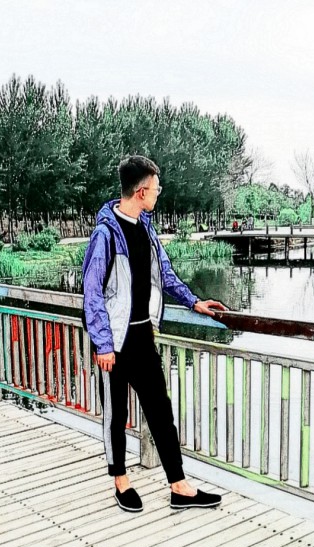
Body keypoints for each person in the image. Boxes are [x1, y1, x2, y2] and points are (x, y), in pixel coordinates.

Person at [82, 155, 227, 513]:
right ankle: (121, 482)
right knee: (116, 415)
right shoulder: (105, 234)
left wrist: (194, 302)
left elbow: (165, 274)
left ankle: (179, 486)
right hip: (115, 342)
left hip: (143, 337)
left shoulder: (146, 230)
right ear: (142, 191)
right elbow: (92, 292)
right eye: (157, 189)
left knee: (161, 412)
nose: (159, 194)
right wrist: (102, 343)